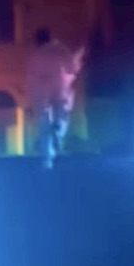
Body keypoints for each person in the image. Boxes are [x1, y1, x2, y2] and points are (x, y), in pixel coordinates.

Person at [26, 30, 85, 169]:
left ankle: (48, 158)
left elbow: (32, 76)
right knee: (61, 117)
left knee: (44, 123)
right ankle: (57, 135)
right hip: (61, 87)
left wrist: (31, 97)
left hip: (42, 90)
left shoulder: (37, 54)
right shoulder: (61, 50)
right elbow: (71, 68)